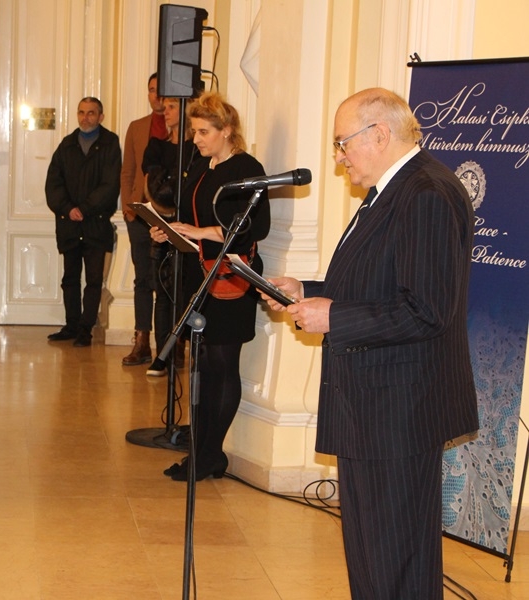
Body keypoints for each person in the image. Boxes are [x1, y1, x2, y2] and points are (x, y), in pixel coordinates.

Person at [261, 88, 478, 599]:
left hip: (399, 411)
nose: (339, 157)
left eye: (342, 143)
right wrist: (308, 291)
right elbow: (378, 285)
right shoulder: (393, 189)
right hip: (374, 405)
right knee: (375, 559)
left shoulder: (426, 193)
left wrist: (333, 317)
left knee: (394, 562)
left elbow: (427, 309)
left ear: (379, 134)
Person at [150, 92, 270, 481]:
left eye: (204, 131)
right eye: (195, 131)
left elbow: (254, 227)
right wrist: (171, 231)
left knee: (222, 366)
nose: (196, 139)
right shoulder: (203, 167)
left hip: (231, 277)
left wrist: (199, 232)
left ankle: (210, 454)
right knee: (202, 367)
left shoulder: (247, 168)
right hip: (200, 274)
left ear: (227, 130)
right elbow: (192, 216)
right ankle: (202, 452)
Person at [45, 97, 121, 347]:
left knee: (94, 279)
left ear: (101, 117)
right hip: (69, 224)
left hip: (96, 223)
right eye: (81, 112)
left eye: (91, 113)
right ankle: (71, 325)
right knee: (70, 278)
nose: (85, 118)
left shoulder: (110, 143)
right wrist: (68, 209)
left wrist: (85, 209)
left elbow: (110, 185)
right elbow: (53, 184)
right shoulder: (66, 145)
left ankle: (86, 329)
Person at [141, 96, 197, 376]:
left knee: (185, 292)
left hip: (189, 230)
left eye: (173, 106)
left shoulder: (195, 150)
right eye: (165, 107)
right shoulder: (156, 147)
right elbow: (154, 189)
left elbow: (189, 191)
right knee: (162, 294)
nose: (165, 111)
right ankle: (161, 355)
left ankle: (180, 350)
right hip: (161, 226)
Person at [119, 74, 166, 366]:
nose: (156, 96)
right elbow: (127, 171)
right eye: (151, 90)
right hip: (138, 214)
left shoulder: (183, 128)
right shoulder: (137, 127)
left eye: (160, 91)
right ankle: (141, 340)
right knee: (143, 280)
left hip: (168, 216)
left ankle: (169, 343)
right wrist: (128, 207)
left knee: (166, 280)